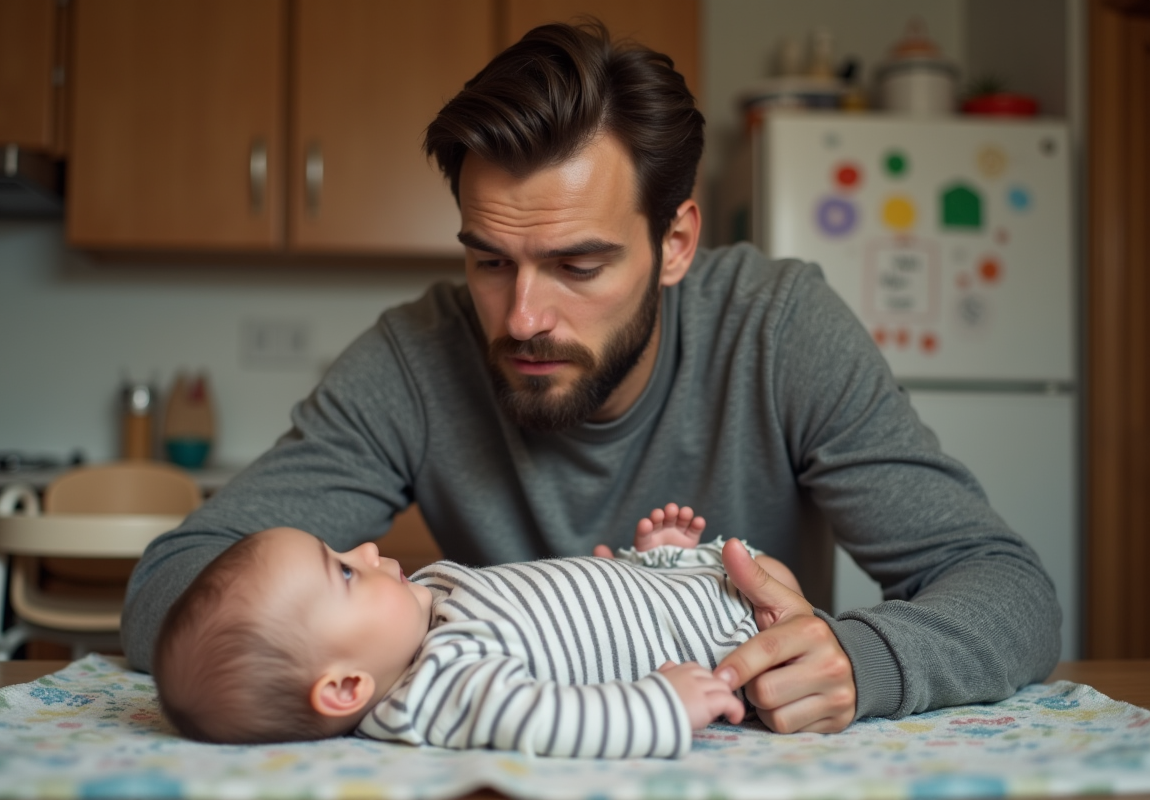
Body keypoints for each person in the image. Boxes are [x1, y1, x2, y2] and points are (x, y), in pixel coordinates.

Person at [124, 21, 1061, 735]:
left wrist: (866, 659)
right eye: (490, 262)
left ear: (675, 243)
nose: (524, 317)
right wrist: (389, 674)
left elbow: (1005, 585)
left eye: (578, 266)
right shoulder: (413, 362)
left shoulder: (778, 330)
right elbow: (176, 588)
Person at [153, 505, 793, 755]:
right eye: (346, 575)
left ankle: (662, 557)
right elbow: (540, 718)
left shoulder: (423, 609)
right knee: (784, 592)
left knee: (757, 569)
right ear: (347, 686)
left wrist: (641, 565)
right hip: (722, 639)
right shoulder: (437, 687)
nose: (369, 550)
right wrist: (660, 706)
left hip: (673, 584)